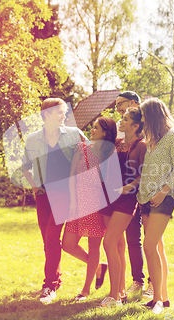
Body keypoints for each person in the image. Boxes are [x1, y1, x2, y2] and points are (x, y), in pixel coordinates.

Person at [21, 98, 86, 304]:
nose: (64, 116)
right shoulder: (33, 139)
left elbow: (92, 153)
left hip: (65, 193)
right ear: (46, 114)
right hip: (43, 196)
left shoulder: (74, 134)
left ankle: (49, 286)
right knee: (48, 240)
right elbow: (25, 166)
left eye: (65, 112)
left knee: (51, 236)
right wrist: (33, 185)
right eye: (60, 112)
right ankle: (93, 267)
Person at [136, 98, 174, 314]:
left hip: (163, 198)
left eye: (144, 115)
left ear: (154, 115)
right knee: (157, 248)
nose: (142, 120)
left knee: (149, 245)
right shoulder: (152, 139)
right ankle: (162, 299)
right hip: (145, 198)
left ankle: (156, 300)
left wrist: (163, 192)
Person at [62, 117, 117, 301]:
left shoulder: (109, 153)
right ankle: (99, 266)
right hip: (77, 201)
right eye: (92, 127)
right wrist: (71, 200)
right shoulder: (81, 148)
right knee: (67, 244)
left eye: (96, 128)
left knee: (94, 246)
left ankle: (85, 290)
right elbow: (70, 175)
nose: (92, 130)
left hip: (96, 204)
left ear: (105, 133)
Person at [100, 108, 147, 307]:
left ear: (135, 126)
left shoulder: (141, 145)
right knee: (118, 244)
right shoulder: (117, 144)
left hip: (126, 198)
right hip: (108, 197)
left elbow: (145, 174)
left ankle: (114, 297)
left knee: (108, 242)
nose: (121, 121)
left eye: (125, 119)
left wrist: (129, 187)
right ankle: (120, 291)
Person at [114, 91, 151, 297]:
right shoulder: (122, 132)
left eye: (122, 105)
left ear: (133, 103)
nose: (118, 108)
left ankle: (153, 283)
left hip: (145, 192)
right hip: (126, 195)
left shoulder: (147, 131)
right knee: (132, 238)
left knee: (151, 238)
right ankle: (138, 279)